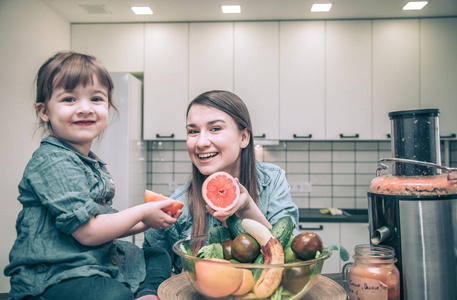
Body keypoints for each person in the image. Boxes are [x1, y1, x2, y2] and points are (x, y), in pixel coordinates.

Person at [3, 51, 182, 300]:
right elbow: (88, 232)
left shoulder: (87, 161)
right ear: (44, 111)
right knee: (113, 295)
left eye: (96, 99)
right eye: (69, 99)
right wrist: (142, 212)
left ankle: (147, 293)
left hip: (94, 263)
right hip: (55, 275)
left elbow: (104, 224)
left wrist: (147, 223)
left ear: (107, 107)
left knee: (156, 254)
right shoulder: (53, 160)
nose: (85, 109)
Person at [142, 90, 299, 297]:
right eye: (193, 131)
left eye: (215, 128)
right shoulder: (180, 202)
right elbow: (154, 256)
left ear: (243, 137)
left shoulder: (272, 180)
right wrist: (148, 292)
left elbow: (294, 259)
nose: (201, 142)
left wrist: (248, 208)